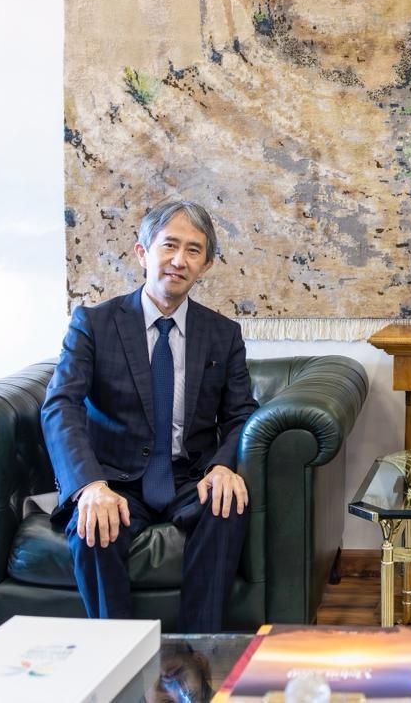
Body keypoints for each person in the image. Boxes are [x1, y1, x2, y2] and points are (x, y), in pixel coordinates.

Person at [41, 201, 257, 632]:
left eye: (193, 250)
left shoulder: (223, 334)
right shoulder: (93, 324)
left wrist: (223, 466)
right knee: (92, 527)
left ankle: (197, 653)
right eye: (169, 245)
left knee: (228, 508)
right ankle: (119, 656)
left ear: (207, 265)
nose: (179, 260)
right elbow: (60, 405)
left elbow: (241, 414)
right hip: (114, 478)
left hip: (189, 476)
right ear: (142, 252)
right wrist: (88, 485)